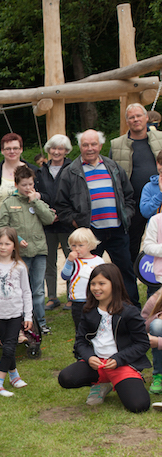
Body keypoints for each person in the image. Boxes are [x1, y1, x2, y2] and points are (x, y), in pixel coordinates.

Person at [55, 129, 139, 306]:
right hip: (90, 234)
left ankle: (132, 309)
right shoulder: (70, 172)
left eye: (93, 144)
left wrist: (127, 215)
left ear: (100, 145)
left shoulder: (114, 167)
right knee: (87, 274)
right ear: (80, 147)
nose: (90, 148)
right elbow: (61, 205)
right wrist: (76, 223)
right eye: (85, 145)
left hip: (117, 230)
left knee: (125, 272)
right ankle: (88, 310)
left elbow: (129, 196)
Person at [57, 264, 151, 412]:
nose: (96, 288)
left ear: (114, 285)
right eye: (93, 283)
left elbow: (142, 343)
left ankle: (120, 382)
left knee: (139, 405)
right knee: (66, 378)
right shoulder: (88, 310)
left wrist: (119, 359)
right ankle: (100, 383)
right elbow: (80, 342)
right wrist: (89, 357)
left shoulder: (129, 312)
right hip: (97, 364)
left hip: (122, 364)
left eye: (102, 283)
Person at [0, 166, 55, 334]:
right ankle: (22, 322)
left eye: (30, 184)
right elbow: (2, 225)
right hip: (21, 254)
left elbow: (50, 218)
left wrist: (35, 201)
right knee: (21, 288)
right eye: (24, 185)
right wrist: (17, 240)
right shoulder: (9, 203)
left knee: (38, 288)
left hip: (39, 250)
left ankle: (41, 322)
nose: (28, 188)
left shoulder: (36, 201)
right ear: (16, 185)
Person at [0, 227, 32, 397]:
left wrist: (28, 315)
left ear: (14, 246)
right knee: (7, 346)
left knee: (10, 347)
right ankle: (14, 376)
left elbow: (26, 291)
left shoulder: (20, 267)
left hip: (15, 313)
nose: (2, 247)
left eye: (7, 244)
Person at [109, 103, 162, 262]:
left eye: (139, 116)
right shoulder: (117, 145)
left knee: (159, 240)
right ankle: (130, 280)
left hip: (159, 199)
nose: (136, 119)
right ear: (127, 121)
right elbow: (112, 173)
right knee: (131, 243)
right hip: (132, 201)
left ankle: (155, 283)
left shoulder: (160, 138)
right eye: (131, 117)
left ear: (146, 118)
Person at [35, 134, 74, 311]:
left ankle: (72, 296)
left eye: (60, 148)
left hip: (67, 222)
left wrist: (63, 214)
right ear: (48, 150)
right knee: (48, 261)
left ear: (66, 151)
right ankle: (52, 296)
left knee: (71, 259)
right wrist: (47, 213)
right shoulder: (41, 171)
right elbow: (39, 193)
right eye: (53, 148)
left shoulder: (73, 167)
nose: (56, 152)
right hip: (47, 223)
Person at [0, 133, 38, 236]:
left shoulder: (35, 171)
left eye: (15, 148)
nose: (12, 151)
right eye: (8, 149)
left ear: (21, 149)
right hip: (1, 230)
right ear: (2, 151)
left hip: (30, 230)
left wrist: (38, 196)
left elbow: (46, 198)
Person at [60, 228, 104, 330]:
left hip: (95, 299)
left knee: (96, 325)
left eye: (81, 245)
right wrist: (69, 261)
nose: (77, 249)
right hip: (78, 301)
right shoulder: (73, 261)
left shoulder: (98, 260)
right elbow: (65, 276)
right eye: (73, 245)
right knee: (80, 327)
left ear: (90, 245)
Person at [141, 291, 162, 394]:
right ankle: (159, 375)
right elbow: (142, 326)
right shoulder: (155, 298)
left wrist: (159, 342)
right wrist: (158, 316)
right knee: (157, 325)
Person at [138, 149, 162, 219]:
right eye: (161, 164)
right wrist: (160, 194)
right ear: (157, 163)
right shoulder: (149, 187)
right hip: (156, 228)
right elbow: (145, 212)